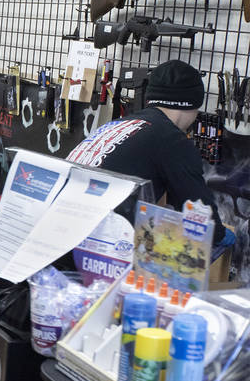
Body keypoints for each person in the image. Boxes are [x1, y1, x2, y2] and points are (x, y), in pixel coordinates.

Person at [67, 59, 229, 246]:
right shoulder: (172, 139)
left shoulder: (119, 125)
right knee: (221, 241)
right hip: (87, 250)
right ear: (192, 107)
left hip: (51, 233)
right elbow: (208, 228)